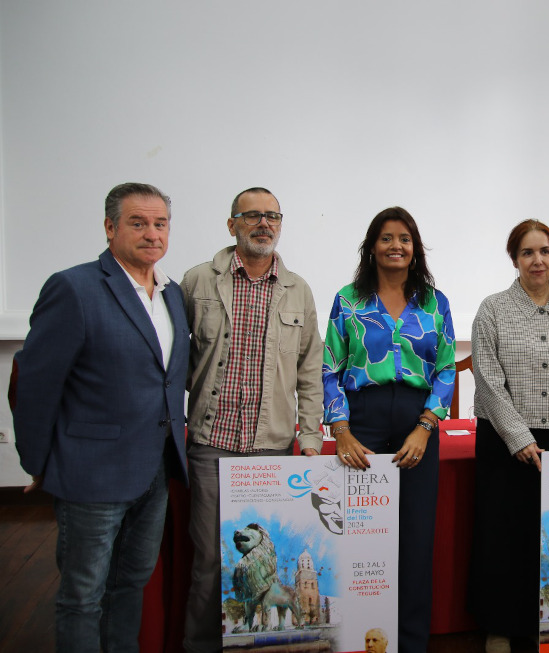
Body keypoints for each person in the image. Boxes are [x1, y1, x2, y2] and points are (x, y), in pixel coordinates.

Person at [14, 182, 189, 652]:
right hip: (91, 471)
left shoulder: (172, 294)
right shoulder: (74, 287)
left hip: (156, 468)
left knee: (131, 583)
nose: (152, 233)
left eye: (160, 223)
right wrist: (37, 461)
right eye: (138, 223)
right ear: (110, 228)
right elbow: (36, 384)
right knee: (83, 595)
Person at [181, 187, 323, 652]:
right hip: (211, 444)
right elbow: (172, 361)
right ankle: (201, 645)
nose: (264, 224)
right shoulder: (198, 281)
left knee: (263, 568)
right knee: (210, 561)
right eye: (253, 215)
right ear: (232, 224)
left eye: (273, 216)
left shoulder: (298, 290)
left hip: (273, 448)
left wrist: (309, 435)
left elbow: (310, 370)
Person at [323, 206, 456, 653]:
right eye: (386, 238)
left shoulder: (435, 302)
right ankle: (359, 639)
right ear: (372, 247)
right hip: (362, 420)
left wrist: (425, 426)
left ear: (415, 248)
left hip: (418, 422)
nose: (396, 245)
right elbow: (330, 368)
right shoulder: (348, 300)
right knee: (361, 537)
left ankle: (411, 643)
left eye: (404, 238)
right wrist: (341, 429)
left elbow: (445, 370)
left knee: (415, 540)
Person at [469, 219, 549, 653]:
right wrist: (518, 436)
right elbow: (488, 380)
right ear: (515, 259)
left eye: (544, 251)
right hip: (503, 442)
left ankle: (539, 623)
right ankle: (499, 627)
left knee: (546, 539)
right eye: (527, 252)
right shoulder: (493, 310)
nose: (537, 260)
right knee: (502, 536)